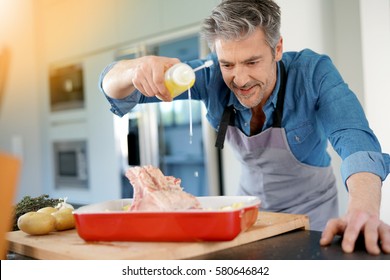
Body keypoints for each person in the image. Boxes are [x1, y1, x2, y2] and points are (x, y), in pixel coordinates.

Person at [99, 0, 390, 254]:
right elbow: (115, 90)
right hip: (250, 213)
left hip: (312, 214)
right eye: (228, 64)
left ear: (277, 48)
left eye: (252, 62)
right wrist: (132, 69)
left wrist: (362, 209)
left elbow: (354, 138)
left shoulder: (313, 73)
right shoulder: (209, 74)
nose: (239, 79)